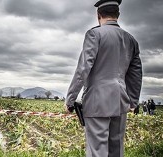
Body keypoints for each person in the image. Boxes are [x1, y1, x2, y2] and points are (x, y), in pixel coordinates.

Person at [64, 0, 142, 156]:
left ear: (98, 15)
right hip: (121, 102)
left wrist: (70, 99)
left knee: (97, 151)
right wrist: (133, 101)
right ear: (117, 15)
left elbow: (83, 68)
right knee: (116, 150)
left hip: (96, 102)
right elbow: (136, 74)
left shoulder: (94, 34)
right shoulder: (131, 40)